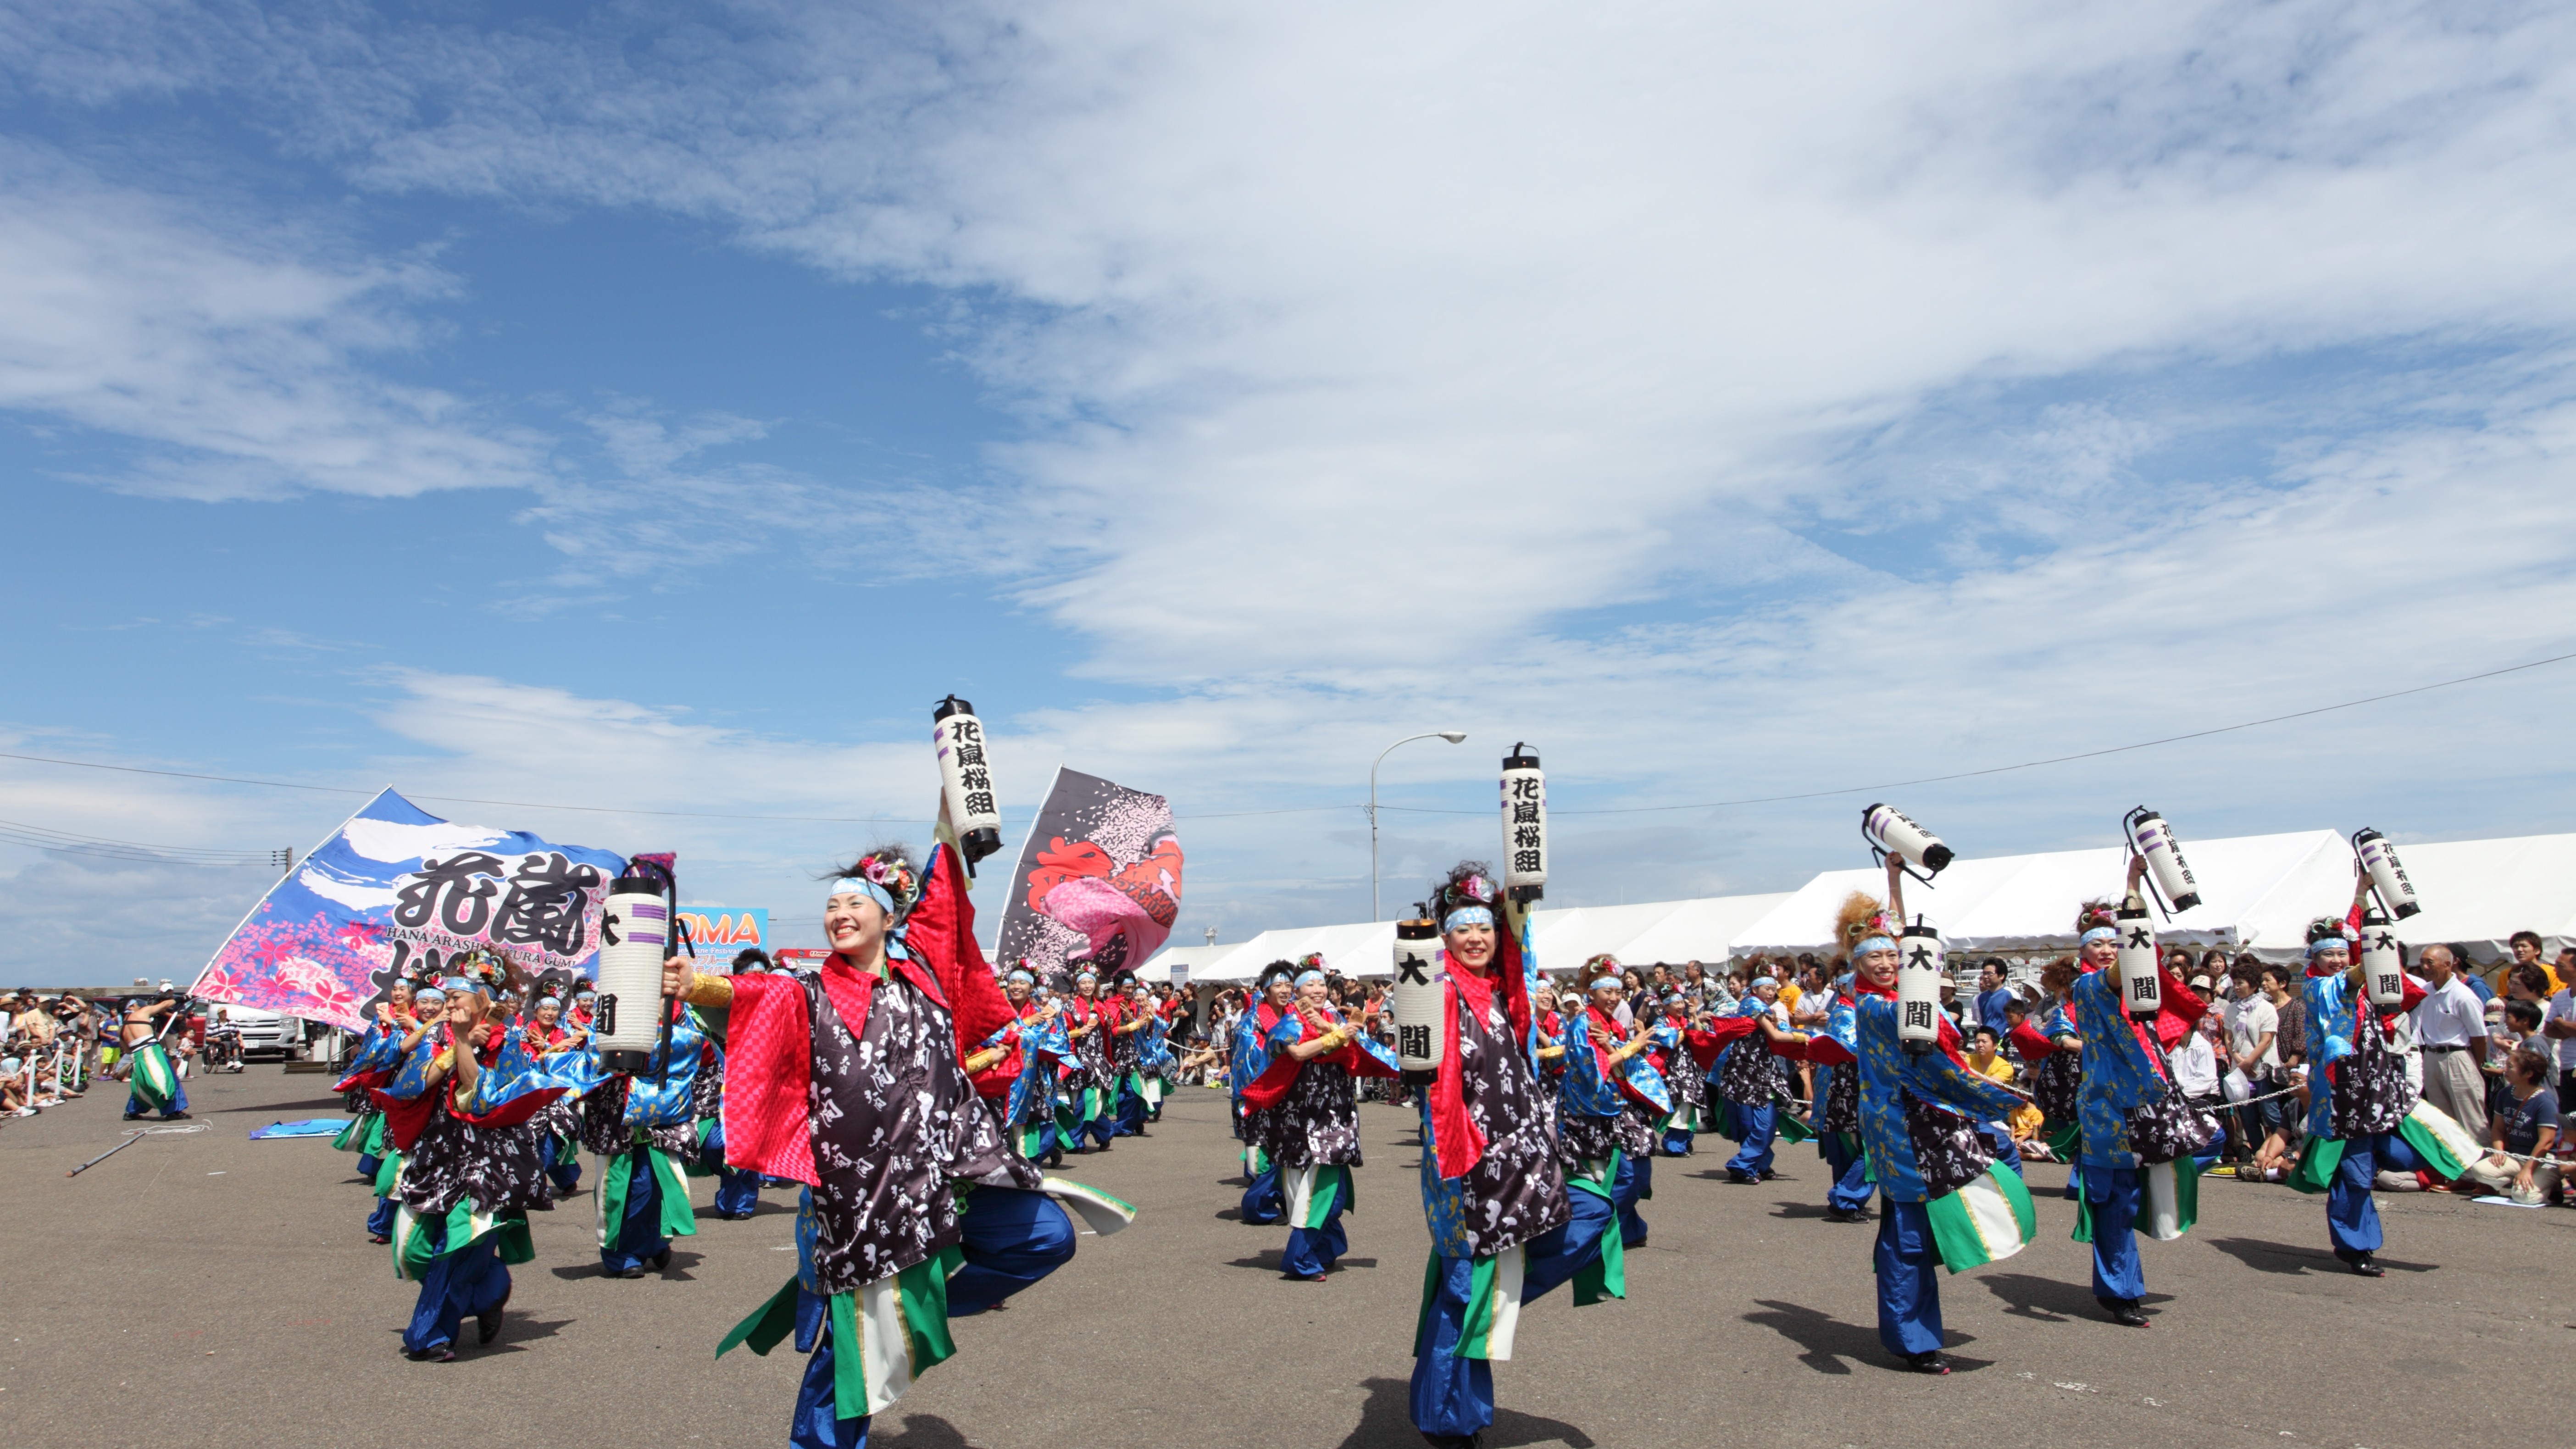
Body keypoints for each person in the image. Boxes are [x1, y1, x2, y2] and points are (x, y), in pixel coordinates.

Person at [680, 838, 1094, 1449]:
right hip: (863, 1196)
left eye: (855, 901)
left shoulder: (927, 974)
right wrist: (702, 986)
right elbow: (757, 998)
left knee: (1047, 1235)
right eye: (832, 904)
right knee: (853, 1350)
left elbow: (945, 903)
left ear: (890, 915)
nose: (840, 913)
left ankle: (916, 1306)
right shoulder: (811, 991)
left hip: (951, 1172)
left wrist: (952, 826)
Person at [1410, 863, 1616, 1449]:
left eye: (1485, 928)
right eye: (1462, 929)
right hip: (1470, 1173)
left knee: (1596, 1213)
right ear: (1443, 938)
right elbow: (1424, 1066)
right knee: (1463, 1292)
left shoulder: (1500, 994)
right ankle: (1448, 1423)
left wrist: (1520, 898)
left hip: (1524, 1165)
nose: (1476, 937)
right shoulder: (1439, 990)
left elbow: (1521, 955)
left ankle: (1459, 1402)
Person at [1843, 871, 2030, 1376]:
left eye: (1892, 956)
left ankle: (1916, 1329)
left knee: (1927, 1225)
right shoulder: (1876, 1007)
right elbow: (1938, 1065)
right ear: (1856, 964)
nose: (1886, 964)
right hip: (1903, 1131)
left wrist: (1894, 879)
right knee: (1907, 1236)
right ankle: (1913, 1340)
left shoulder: (1909, 996)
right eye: (1874, 957)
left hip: (1932, 1122)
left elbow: (1909, 946)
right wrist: (1996, 1098)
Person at [375, 973, 564, 1361]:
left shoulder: (507, 1042)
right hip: (436, 1158)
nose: (449, 1005)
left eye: (456, 997)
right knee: (414, 1252)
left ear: (481, 1001)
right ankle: (491, 1290)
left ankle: (428, 1336)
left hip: (485, 1164)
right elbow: (410, 1087)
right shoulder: (433, 1039)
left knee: (457, 1248)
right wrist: (454, 1045)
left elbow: (481, 1101)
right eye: (446, 998)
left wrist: (464, 1042)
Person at [2065, 872, 2214, 1328]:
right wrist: (2134, 896)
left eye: (2114, 942)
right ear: (2083, 954)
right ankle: (2120, 1291)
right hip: (2109, 1113)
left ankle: (2127, 1263)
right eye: (2098, 944)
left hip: (2152, 1106)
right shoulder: (2088, 988)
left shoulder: (2138, 990)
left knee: (2204, 1145)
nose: (2108, 949)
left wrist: (2136, 892)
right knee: (2115, 1205)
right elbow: (2124, 964)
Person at [1240, 966, 1397, 1279]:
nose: (1317, 989)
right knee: (1311, 1188)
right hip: (1301, 1114)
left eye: (1322, 984)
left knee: (1329, 1187)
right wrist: (1337, 1035)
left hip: (1334, 1110)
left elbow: (1359, 1049)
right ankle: (1300, 1256)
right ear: (1297, 992)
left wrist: (1332, 1028)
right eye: (1308, 984)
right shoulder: (1289, 1021)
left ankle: (1322, 1247)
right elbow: (1297, 1052)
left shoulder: (1334, 1018)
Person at [1717, 975, 1810, 1185]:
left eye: (1773, 990)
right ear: (1755, 989)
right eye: (1767, 988)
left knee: (1764, 1123)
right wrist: (1802, 1037)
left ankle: (1758, 1164)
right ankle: (1744, 1166)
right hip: (1745, 1073)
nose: (1771, 993)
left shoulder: (1762, 1008)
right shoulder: (1752, 1004)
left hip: (1760, 1072)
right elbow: (1776, 1036)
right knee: (1756, 1124)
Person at [1232, 963, 1299, 1225]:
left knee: (1288, 1154)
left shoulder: (1293, 1013)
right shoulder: (1253, 1019)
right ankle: (1259, 1208)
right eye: (1278, 986)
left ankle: (1283, 1205)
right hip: (1262, 1095)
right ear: (1266, 990)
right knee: (1266, 1159)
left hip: (1289, 1095)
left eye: (1288, 985)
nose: (1284, 991)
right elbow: (1249, 1054)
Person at [2454, 1046, 2560, 1203]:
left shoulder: (2545, 1102)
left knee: (2524, 1197)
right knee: (2479, 1171)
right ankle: (2520, 1181)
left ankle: (2551, 1187)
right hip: (2516, 1156)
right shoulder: (2505, 1094)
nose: (2505, 1069)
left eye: (2510, 1067)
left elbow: (2547, 1141)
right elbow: (2498, 1129)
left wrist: (2527, 1170)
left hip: (2543, 1160)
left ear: (2528, 1074)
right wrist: (2499, 1152)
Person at [2413, 944, 2491, 1143]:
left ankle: (2481, 1167)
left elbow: (2479, 1037)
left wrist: (2475, 1064)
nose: (2425, 967)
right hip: (2431, 1055)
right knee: (2442, 1118)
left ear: (2447, 964)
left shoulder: (2464, 996)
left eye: (2430, 962)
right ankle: (2454, 1169)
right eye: (2422, 962)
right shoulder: (2425, 992)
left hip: (2458, 1056)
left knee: (2470, 1116)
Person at [117, 996, 190, 1121]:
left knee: (143, 1084)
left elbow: (128, 1050)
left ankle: (132, 1112)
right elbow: (165, 1004)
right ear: (130, 1007)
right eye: (135, 1004)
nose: (138, 1006)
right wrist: (183, 998)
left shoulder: (121, 1029)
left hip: (137, 1056)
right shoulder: (142, 1013)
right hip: (151, 1052)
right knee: (170, 1079)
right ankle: (174, 1111)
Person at [1974, 961, 2014, 1036]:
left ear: (2001, 976)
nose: (1985, 977)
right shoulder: (1981, 998)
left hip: (2004, 1041)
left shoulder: (2010, 994)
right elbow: (1980, 1022)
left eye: (1990, 974)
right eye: (1984, 973)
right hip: (1987, 1041)